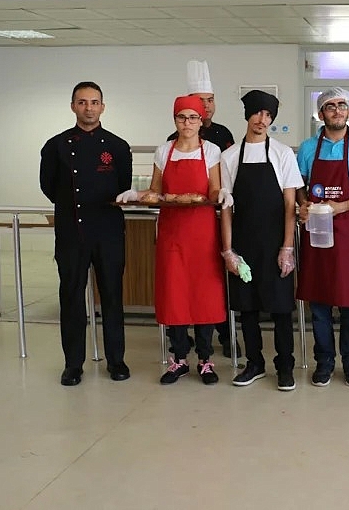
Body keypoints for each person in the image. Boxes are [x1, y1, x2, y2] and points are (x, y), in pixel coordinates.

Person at [119, 95, 227, 385]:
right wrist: (136, 195)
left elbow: (213, 190)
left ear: (201, 121)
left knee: (204, 295)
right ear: (175, 120)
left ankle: (205, 360)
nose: (187, 123)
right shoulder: (164, 151)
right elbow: (156, 191)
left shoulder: (211, 150)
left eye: (193, 117)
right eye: (182, 117)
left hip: (203, 234)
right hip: (171, 234)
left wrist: (221, 194)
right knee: (174, 294)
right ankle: (178, 359)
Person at [40, 81, 133, 386]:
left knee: (112, 297)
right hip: (72, 232)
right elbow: (49, 187)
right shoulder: (55, 145)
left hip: (108, 232)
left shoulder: (117, 146)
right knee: (71, 297)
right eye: (82, 102)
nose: (88, 108)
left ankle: (116, 360)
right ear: (73, 106)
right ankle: (73, 364)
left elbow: (123, 185)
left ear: (102, 107)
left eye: (94, 102)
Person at [220, 90, 304, 391]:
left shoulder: (282, 153)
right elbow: (226, 207)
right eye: (257, 113)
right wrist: (228, 251)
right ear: (248, 115)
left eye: (268, 115)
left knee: (281, 308)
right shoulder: (230, 156)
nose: (262, 119)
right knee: (248, 307)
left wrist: (287, 247)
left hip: (275, 242)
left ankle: (285, 367)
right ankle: (254, 363)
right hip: (243, 241)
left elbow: (290, 204)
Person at [296, 87, 349, 387]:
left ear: (348, 111)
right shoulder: (307, 148)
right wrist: (304, 205)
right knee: (319, 305)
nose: (337, 110)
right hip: (317, 231)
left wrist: (341, 206)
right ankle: (324, 362)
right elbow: (299, 186)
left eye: (342, 105)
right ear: (321, 114)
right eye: (330, 106)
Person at [167, 59, 237, 357]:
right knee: (179, 285)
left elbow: (228, 174)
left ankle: (224, 336)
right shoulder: (171, 143)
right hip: (180, 226)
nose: (206, 107)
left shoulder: (222, 135)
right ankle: (181, 343)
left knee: (213, 284)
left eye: (210, 100)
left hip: (215, 221)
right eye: (200, 101)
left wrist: (225, 195)